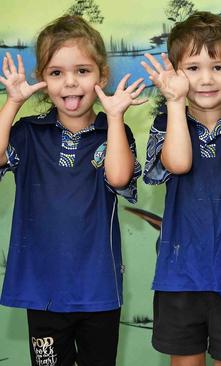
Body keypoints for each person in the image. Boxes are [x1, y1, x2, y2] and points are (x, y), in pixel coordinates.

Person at [0, 15, 144, 366]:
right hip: (43, 288)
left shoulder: (114, 134)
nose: (70, 84)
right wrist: (12, 103)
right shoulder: (28, 132)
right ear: (42, 80)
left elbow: (121, 178)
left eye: (82, 71)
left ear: (102, 76)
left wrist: (114, 119)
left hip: (98, 289)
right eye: (56, 73)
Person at [140, 11, 221, 366]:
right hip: (180, 276)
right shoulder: (168, 122)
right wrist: (174, 102)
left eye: (218, 67)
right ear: (175, 74)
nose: (206, 79)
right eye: (192, 68)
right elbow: (178, 162)